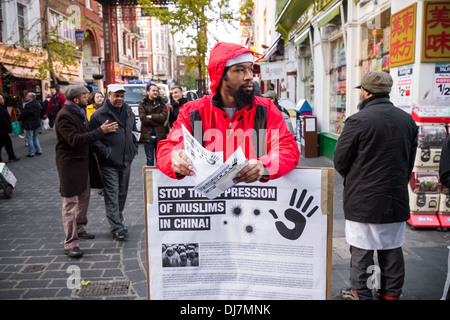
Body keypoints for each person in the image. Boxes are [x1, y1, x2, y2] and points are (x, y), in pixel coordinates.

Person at [156, 42, 299, 183]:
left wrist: (264, 166)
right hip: (209, 204)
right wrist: (174, 159)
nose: (250, 76)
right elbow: (168, 148)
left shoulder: (267, 109)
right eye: (240, 70)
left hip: (254, 202)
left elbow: (287, 148)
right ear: (220, 75)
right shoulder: (192, 112)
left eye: (250, 69)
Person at [333, 71, 418, 300]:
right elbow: (409, 161)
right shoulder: (407, 120)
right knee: (391, 248)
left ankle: (360, 293)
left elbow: (340, 160)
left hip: (363, 200)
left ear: (366, 91)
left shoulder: (357, 120)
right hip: (395, 198)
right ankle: (391, 294)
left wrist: (356, 179)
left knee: (362, 249)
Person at [55, 85, 118, 257]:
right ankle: (70, 243)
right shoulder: (64, 116)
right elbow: (74, 140)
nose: (87, 99)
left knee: (84, 197)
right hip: (69, 165)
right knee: (70, 203)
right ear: (76, 99)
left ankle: (80, 228)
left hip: (84, 163)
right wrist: (100, 131)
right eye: (85, 97)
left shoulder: (77, 112)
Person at [88, 84, 138, 241]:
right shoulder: (99, 115)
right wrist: (106, 153)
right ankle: (116, 227)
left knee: (122, 193)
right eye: (116, 95)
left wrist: (133, 148)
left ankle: (118, 221)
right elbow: (93, 139)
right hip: (109, 162)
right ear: (108, 95)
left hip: (126, 159)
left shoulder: (128, 111)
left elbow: (134, 131)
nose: (119, 99)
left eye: (121, 95)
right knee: (112, 194)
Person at [139, 83, 168, 166]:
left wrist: (151, 116)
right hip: (147, 136)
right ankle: (150, 178)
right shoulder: (142, 104)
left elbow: (164, 118)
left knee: (160, 159)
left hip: (160, 136)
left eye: (157, 91)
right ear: (148, 92)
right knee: (150, 160)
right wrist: (158, 120)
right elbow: (143, 119)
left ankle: (160, 178)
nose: (155, 92)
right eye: (153, 91)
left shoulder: (162, 104)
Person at [19, 92, 43, 157]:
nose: (25, 97)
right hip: (36, 123)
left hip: (29, 123)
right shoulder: (38, 103)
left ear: (31, 97)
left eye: (27, 96)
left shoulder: (28, 105)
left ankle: (31, 153)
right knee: (35, 137)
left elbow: (24, 114)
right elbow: (41, 112)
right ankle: (39, 150)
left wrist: (20, 118)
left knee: (29, 138)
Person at [0, 95, 20, 162]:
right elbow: (2, 119)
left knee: (8, 143)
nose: (3, 100)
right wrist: (8, 127)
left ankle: (11, 156)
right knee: (4, 143)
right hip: (2, 130)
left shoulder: (2, 107)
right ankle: (11, 156)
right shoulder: (1, 108)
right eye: (2, 99)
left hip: (3, 130)